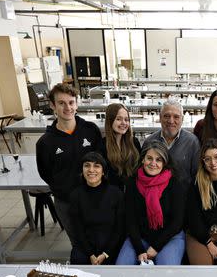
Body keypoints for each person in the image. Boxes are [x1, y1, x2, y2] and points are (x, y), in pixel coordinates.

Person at [35, 83, 100, 249]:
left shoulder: (90, 130)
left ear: (76, 104)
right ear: (52, 105)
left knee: (100, 240)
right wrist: (66, 190)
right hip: (67, 203)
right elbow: (46, 173)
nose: (67, 107)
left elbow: (101, 161)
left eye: (71, 102)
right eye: (61, 103)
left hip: (94, 198)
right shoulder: (45, 142)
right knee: (79, 245)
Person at [116, 140, 186, 265]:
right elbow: (130, 220)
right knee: (122, 266)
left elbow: (177, 222)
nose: (153, 163)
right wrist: (139, 249)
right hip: (140, 238)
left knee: (166, 269)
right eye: (149, 158)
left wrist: (155, 247)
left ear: (164, 162)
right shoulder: (132, 183)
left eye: (158, 160)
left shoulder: (175, 184)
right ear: (143, 159)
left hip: (170, 238)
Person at [68, 152, 125, 265]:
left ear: (103, 171)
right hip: (86, 247)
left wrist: (105, 253)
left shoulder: (116, 194)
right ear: (82, 170)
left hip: (111, 246)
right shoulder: (76, 195)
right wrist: (90, 254)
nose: (91, 170)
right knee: (77, 260)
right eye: (87, 165)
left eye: (97, 166)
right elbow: (77, 229)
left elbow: (120, 228)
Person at [143, 98, 200, 187]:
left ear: (182, 119)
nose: (171, 121)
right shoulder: (149, 141)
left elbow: (197, 174)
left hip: (184, 197)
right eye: (166, 116)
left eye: (176, 117)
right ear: (160, 117)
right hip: (155, 196)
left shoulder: (192, 142)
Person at [99, 103, 139, 188]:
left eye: (126, 119)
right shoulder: (102, 146)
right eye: (118, 119)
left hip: (132, 194)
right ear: (110, 121)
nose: (123, 123)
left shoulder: (134, 143)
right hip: (112, 196)